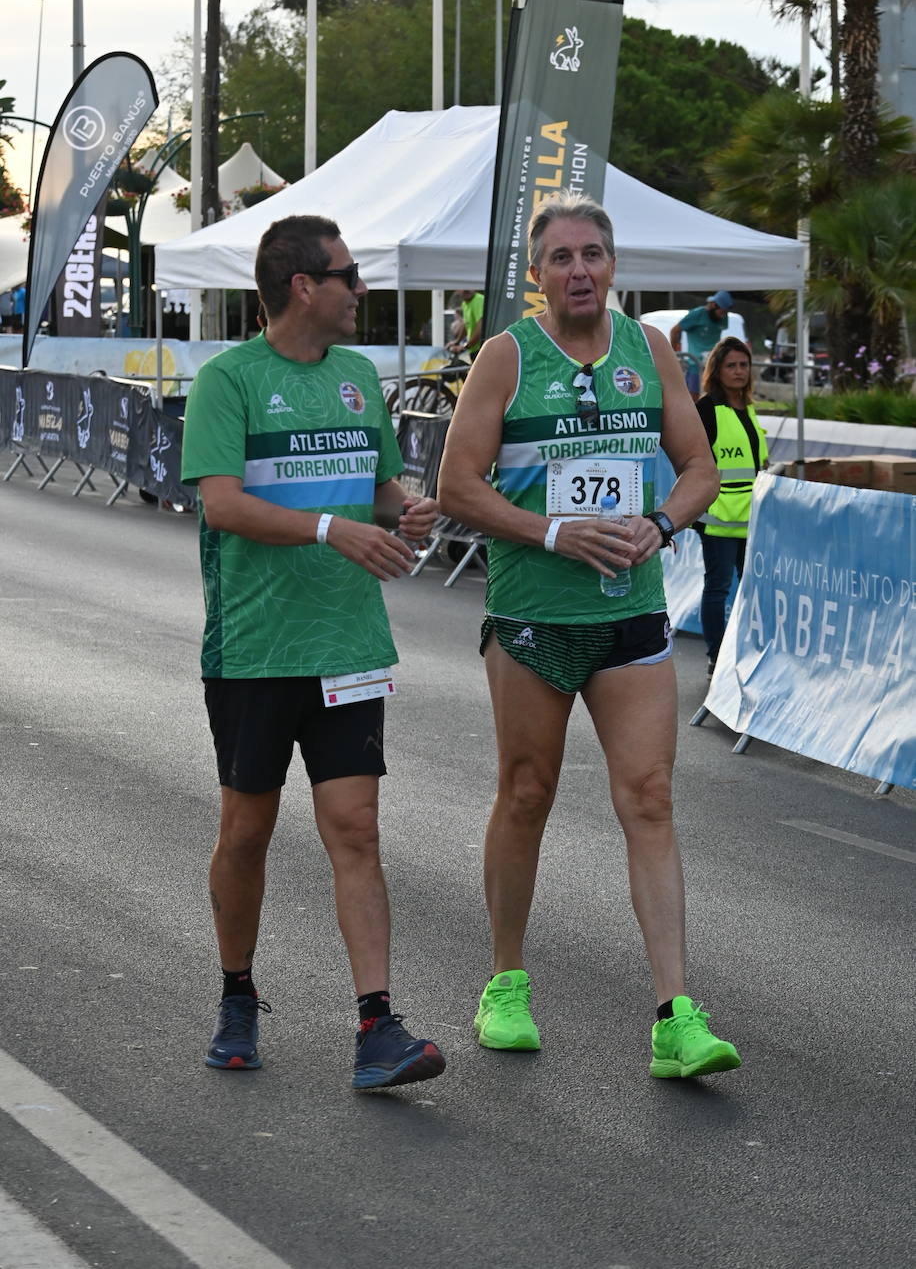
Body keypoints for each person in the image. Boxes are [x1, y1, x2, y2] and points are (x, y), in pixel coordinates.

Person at [438, 190, 741, 1079]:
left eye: (593, 255)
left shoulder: (649, 351)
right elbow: (457, 485)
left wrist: (662, 523)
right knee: (526, 793)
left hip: (631, 616)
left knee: (647, 798)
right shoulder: (506, 357)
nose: (579, 270)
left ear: (614, 266)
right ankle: (504, 982)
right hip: (535, 617)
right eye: (561, 258)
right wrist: (552, 531)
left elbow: (699, 467)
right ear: (537, 277)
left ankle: (675, 1015)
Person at [180, 214, 445, 1090]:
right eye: (348, 275)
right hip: (255, 649)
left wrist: (403, 510)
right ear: (304, 286)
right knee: (247, 832)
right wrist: (332, 528)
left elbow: (377, 487)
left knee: (356, 829)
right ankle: (237, 994)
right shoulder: (229, 382)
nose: (360, 290)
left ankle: (377, 1025)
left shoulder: (359, 379)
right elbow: (222, 505)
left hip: (347, 642)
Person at [694, 336, 768, 678]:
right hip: (720, 519)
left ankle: (744, 652)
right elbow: (693, 462)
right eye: (731, 365)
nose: (739, 371)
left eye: (744, 365)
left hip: (752, 519)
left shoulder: (749, 409)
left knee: (751, 589)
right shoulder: (707, 409)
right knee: (718, 588)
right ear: (717, 371)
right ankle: (716, 657)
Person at [670, 291, 733, 398]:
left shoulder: (724, 316)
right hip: (695, 364)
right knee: (694, 397)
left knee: (717, 396)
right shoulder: (697, 314)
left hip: (714, 363)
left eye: (725, 312)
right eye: (722, 312)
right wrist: (675, 354)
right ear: (714, 305)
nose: (723, 316)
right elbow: (675, 331)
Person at [447, 289, 485, 358]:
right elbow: (466, 325)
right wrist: (457, 341)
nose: (466, 289)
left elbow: (481, 327)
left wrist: (465, 346)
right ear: (457, 291)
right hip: (474, 350)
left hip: (482, 349)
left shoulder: (479, 300)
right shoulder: (464, 304)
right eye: (462, 288)